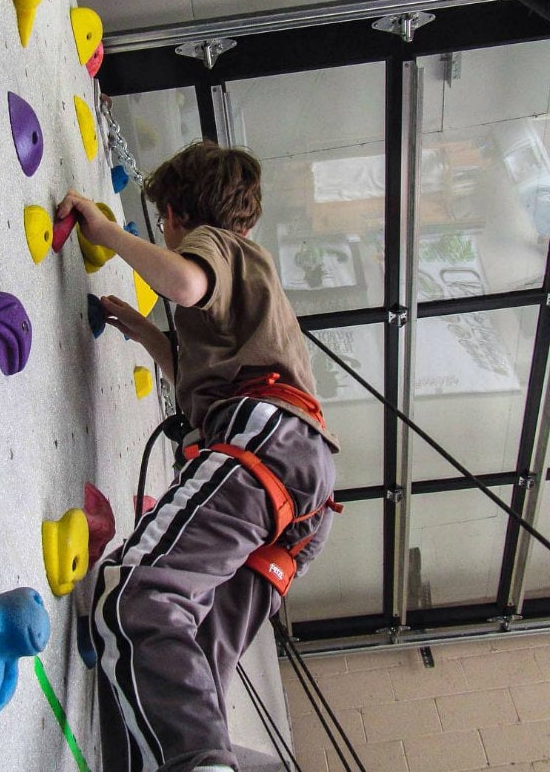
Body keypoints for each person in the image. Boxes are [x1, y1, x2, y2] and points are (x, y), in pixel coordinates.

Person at [57, 140, 340, 772]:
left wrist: (105, 231)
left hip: (264, 443)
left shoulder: (218, 245)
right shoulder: (247, 294)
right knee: (194, 656)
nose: (165, 232)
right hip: (301, 500)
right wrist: (140, 330)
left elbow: (185, 282)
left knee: (138, 595)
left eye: (164, 221)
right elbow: (193, 371)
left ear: (181, 214)